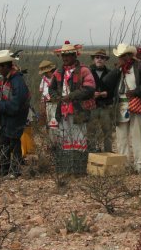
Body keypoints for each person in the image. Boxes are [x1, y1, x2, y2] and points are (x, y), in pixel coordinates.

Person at [102, 43, 141, 173]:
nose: (121, 58)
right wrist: (118, 69)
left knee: (137, 136)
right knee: (121, 138)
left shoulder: (140, 67)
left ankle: (140, 166)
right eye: (120, 56)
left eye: (123, 56)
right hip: (120, 105)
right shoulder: (118, 70)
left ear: (129, 55)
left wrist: (135, 92)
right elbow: (106, 82)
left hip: (135, 103)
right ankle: (124, 165)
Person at [48, 41, 95, 173]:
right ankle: (66, 168)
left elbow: (90, 89)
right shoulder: (58, 72)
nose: (65, 58)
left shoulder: (84, 71)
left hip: (79, 110)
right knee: (65, 138)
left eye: (68, 55)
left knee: (79, 137)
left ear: (75, 55)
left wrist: (72, 96)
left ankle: (79, 169)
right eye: (63, 55)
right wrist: (57, 97)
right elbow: (51, 89)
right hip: (62, 110)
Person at [0, 50, 31, 178]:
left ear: (5, 66)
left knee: (13, 143)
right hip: (8, 117)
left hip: (16, 117)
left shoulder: (16, 80)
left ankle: (15, 171)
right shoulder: (8, 79)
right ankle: (3, 170)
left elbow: (16, 103)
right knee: (5, 143)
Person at [87, 49, 114, 152]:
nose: (99, 59)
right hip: (91, 106)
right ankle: (91, 153)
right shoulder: (87, 72)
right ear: (94, 59)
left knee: (107, 132)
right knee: (91, 132)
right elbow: (83, 88)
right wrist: (91, 94)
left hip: (105, 107)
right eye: (97, 57)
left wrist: (107, 93)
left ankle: (108, 154)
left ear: (105, 60)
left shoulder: (110, 73)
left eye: (102, 58)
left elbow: (114, 90)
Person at [38, 59, 58, 141]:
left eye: (46, 72)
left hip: (56, 104)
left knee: (56, 125)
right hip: (48, 104)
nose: (45, 74)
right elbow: (43, 93)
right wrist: (42, 105)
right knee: (49, 125)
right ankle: (52, 143)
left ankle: (59, 143)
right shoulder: (44, 79)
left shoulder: (58, 77)